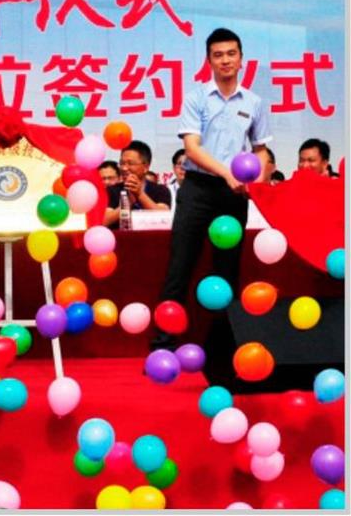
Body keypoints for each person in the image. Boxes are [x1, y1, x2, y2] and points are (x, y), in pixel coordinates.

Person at [158, 27, 272, 349]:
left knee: (228, 268)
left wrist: (256, 181)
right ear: (208, 61)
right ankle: (164, 343)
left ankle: (225, 346)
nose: (225, 60)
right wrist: (226, 173)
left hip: (233, 194)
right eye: (218, 55)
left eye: (231, 54)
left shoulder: (254, 102)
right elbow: (192, 149)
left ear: (241, 59)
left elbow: (261, 149)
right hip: (197, 188)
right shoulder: (196, 98)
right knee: (180, 265)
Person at [102, 140, 171, 229]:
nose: (124, 168)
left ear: (146, 167)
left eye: (130, 163)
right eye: (122, 163)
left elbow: (164, 217)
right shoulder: (112, 190)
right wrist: (128, 203)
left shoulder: (160, 190)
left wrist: (140, 194)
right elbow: (104, 220)